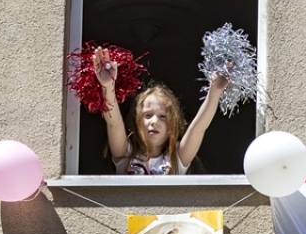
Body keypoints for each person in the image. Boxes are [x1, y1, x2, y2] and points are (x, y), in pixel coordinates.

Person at [93, 47, 229, 175]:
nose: (154, 122)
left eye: (163, 117)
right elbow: (114, 123)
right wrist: (108, 86)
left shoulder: (177, 158)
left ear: (172, 125)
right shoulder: (125, 153)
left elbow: (198, 128)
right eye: (148, 115)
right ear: (137, 121)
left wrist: (215, 91)